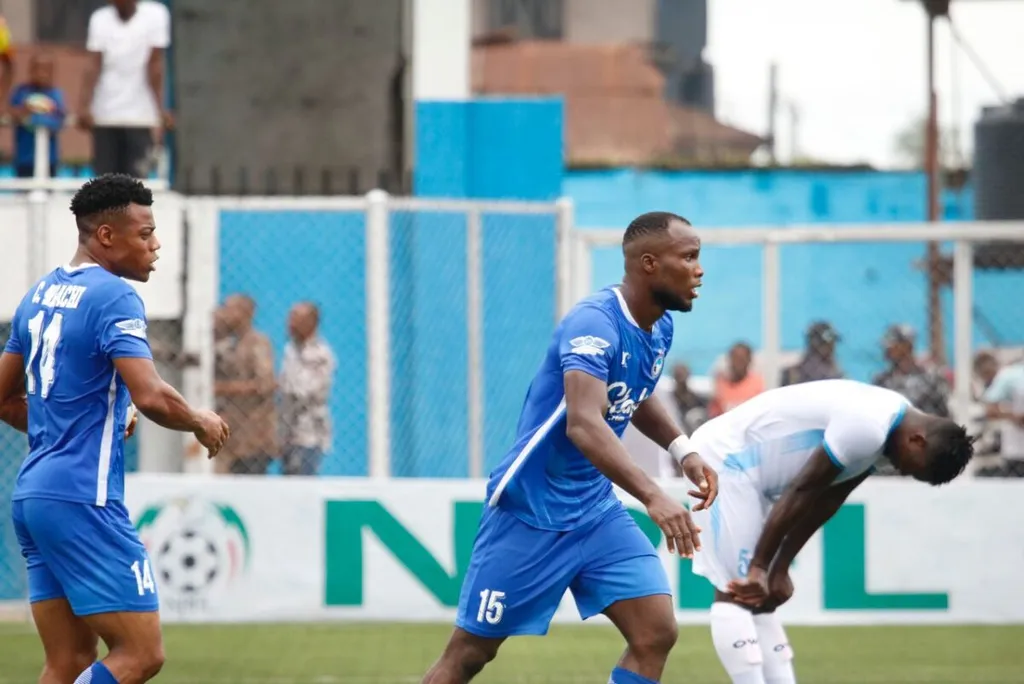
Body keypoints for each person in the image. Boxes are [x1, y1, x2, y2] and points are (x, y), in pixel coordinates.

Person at [420, 211, 720, 684]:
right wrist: (653, 495)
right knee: (469, 655)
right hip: (530, 511)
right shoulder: (593, 324)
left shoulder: (660, 326)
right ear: (649, 264)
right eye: (688, 257)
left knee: (655, 632)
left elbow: (636, 392)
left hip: (594, 512)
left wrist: (684, 450)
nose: (699, 270)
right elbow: (584, 423)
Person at [0, 174, 230, 684]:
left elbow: (4, 399)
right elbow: (150, 395)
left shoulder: (39, 294)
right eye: (145, 233)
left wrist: (84, 419)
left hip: (35, 496)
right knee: (141, 653)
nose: (156, 244)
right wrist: (199, 419)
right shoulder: (113, 297)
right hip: (85, 497)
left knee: (68, 663)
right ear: (106, 236)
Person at [685, 379, 975, 684]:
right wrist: (760, 566)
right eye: (912, 468)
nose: (903, 471)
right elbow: (804, 489)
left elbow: (830, 497)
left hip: (756, 478)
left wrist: (779, 568)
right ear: (917, 440)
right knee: (738, 589)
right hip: (725, 461)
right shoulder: (869, 426)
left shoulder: (890, 431)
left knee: (760, 596)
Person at [79, 0, 172, 177]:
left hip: (140, 116)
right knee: (106, 182)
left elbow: (155, 66)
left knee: (136, 182)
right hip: (105, 115)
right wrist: (84, 106)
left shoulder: (156, 15)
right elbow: (93, 65)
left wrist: (161, 109)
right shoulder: (100, 19)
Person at [279, 301, 336, 476]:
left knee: (302, 476)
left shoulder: (319, 354)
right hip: (287, 431)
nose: (290, 324)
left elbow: (305, 390)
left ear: (312, 323)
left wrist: (277, 386)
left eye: (296, 319)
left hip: (309, 432)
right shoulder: (291, 350)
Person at [9, 53, 67, 178]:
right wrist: (24, 110)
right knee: (23, 187)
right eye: (38, 68)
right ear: (30, 70)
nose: (42, 73)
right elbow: (12, 114)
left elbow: (60, 118)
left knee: (49, 186)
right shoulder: (21, 92)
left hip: (49, 158)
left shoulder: (55, 94)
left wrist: (44, 115)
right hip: (25, 157)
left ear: (52, 72)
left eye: (46, 69)